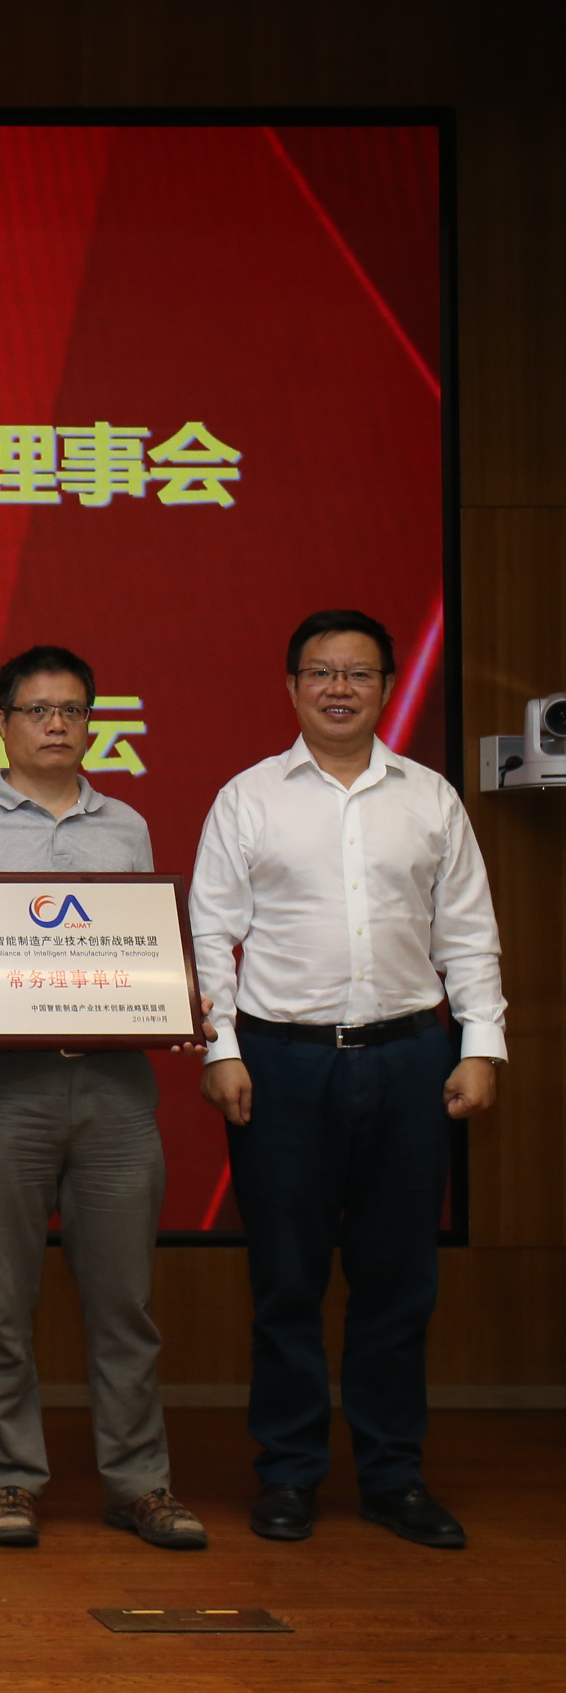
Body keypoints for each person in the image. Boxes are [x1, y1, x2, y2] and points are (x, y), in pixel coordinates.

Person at [191, 610, 504, 1551]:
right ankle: (289, 1473)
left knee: (398, 1279)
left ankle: (392, 1476)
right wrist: (220, 1049)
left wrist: (480, 1043)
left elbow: (468, 932)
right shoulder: (248, 798)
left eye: (358, 674)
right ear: (291, 687)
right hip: (281, 1063)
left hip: (411, 1058)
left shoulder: (430, 798)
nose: (339, 689)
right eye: (321, 673)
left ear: (385, 687)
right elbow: (210, 935)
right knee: (286, 1280)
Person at [0, 645, 208, 1551]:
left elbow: (144, 945)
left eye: (73, 710)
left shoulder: (127, 827)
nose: (56, 726)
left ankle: (139, 1484)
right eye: (37, 710)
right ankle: (8, 1479)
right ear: (0, 722)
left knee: (125, 1305)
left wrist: (172, 996)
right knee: (1, 1302)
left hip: (115, 1090)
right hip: (4, 1091)